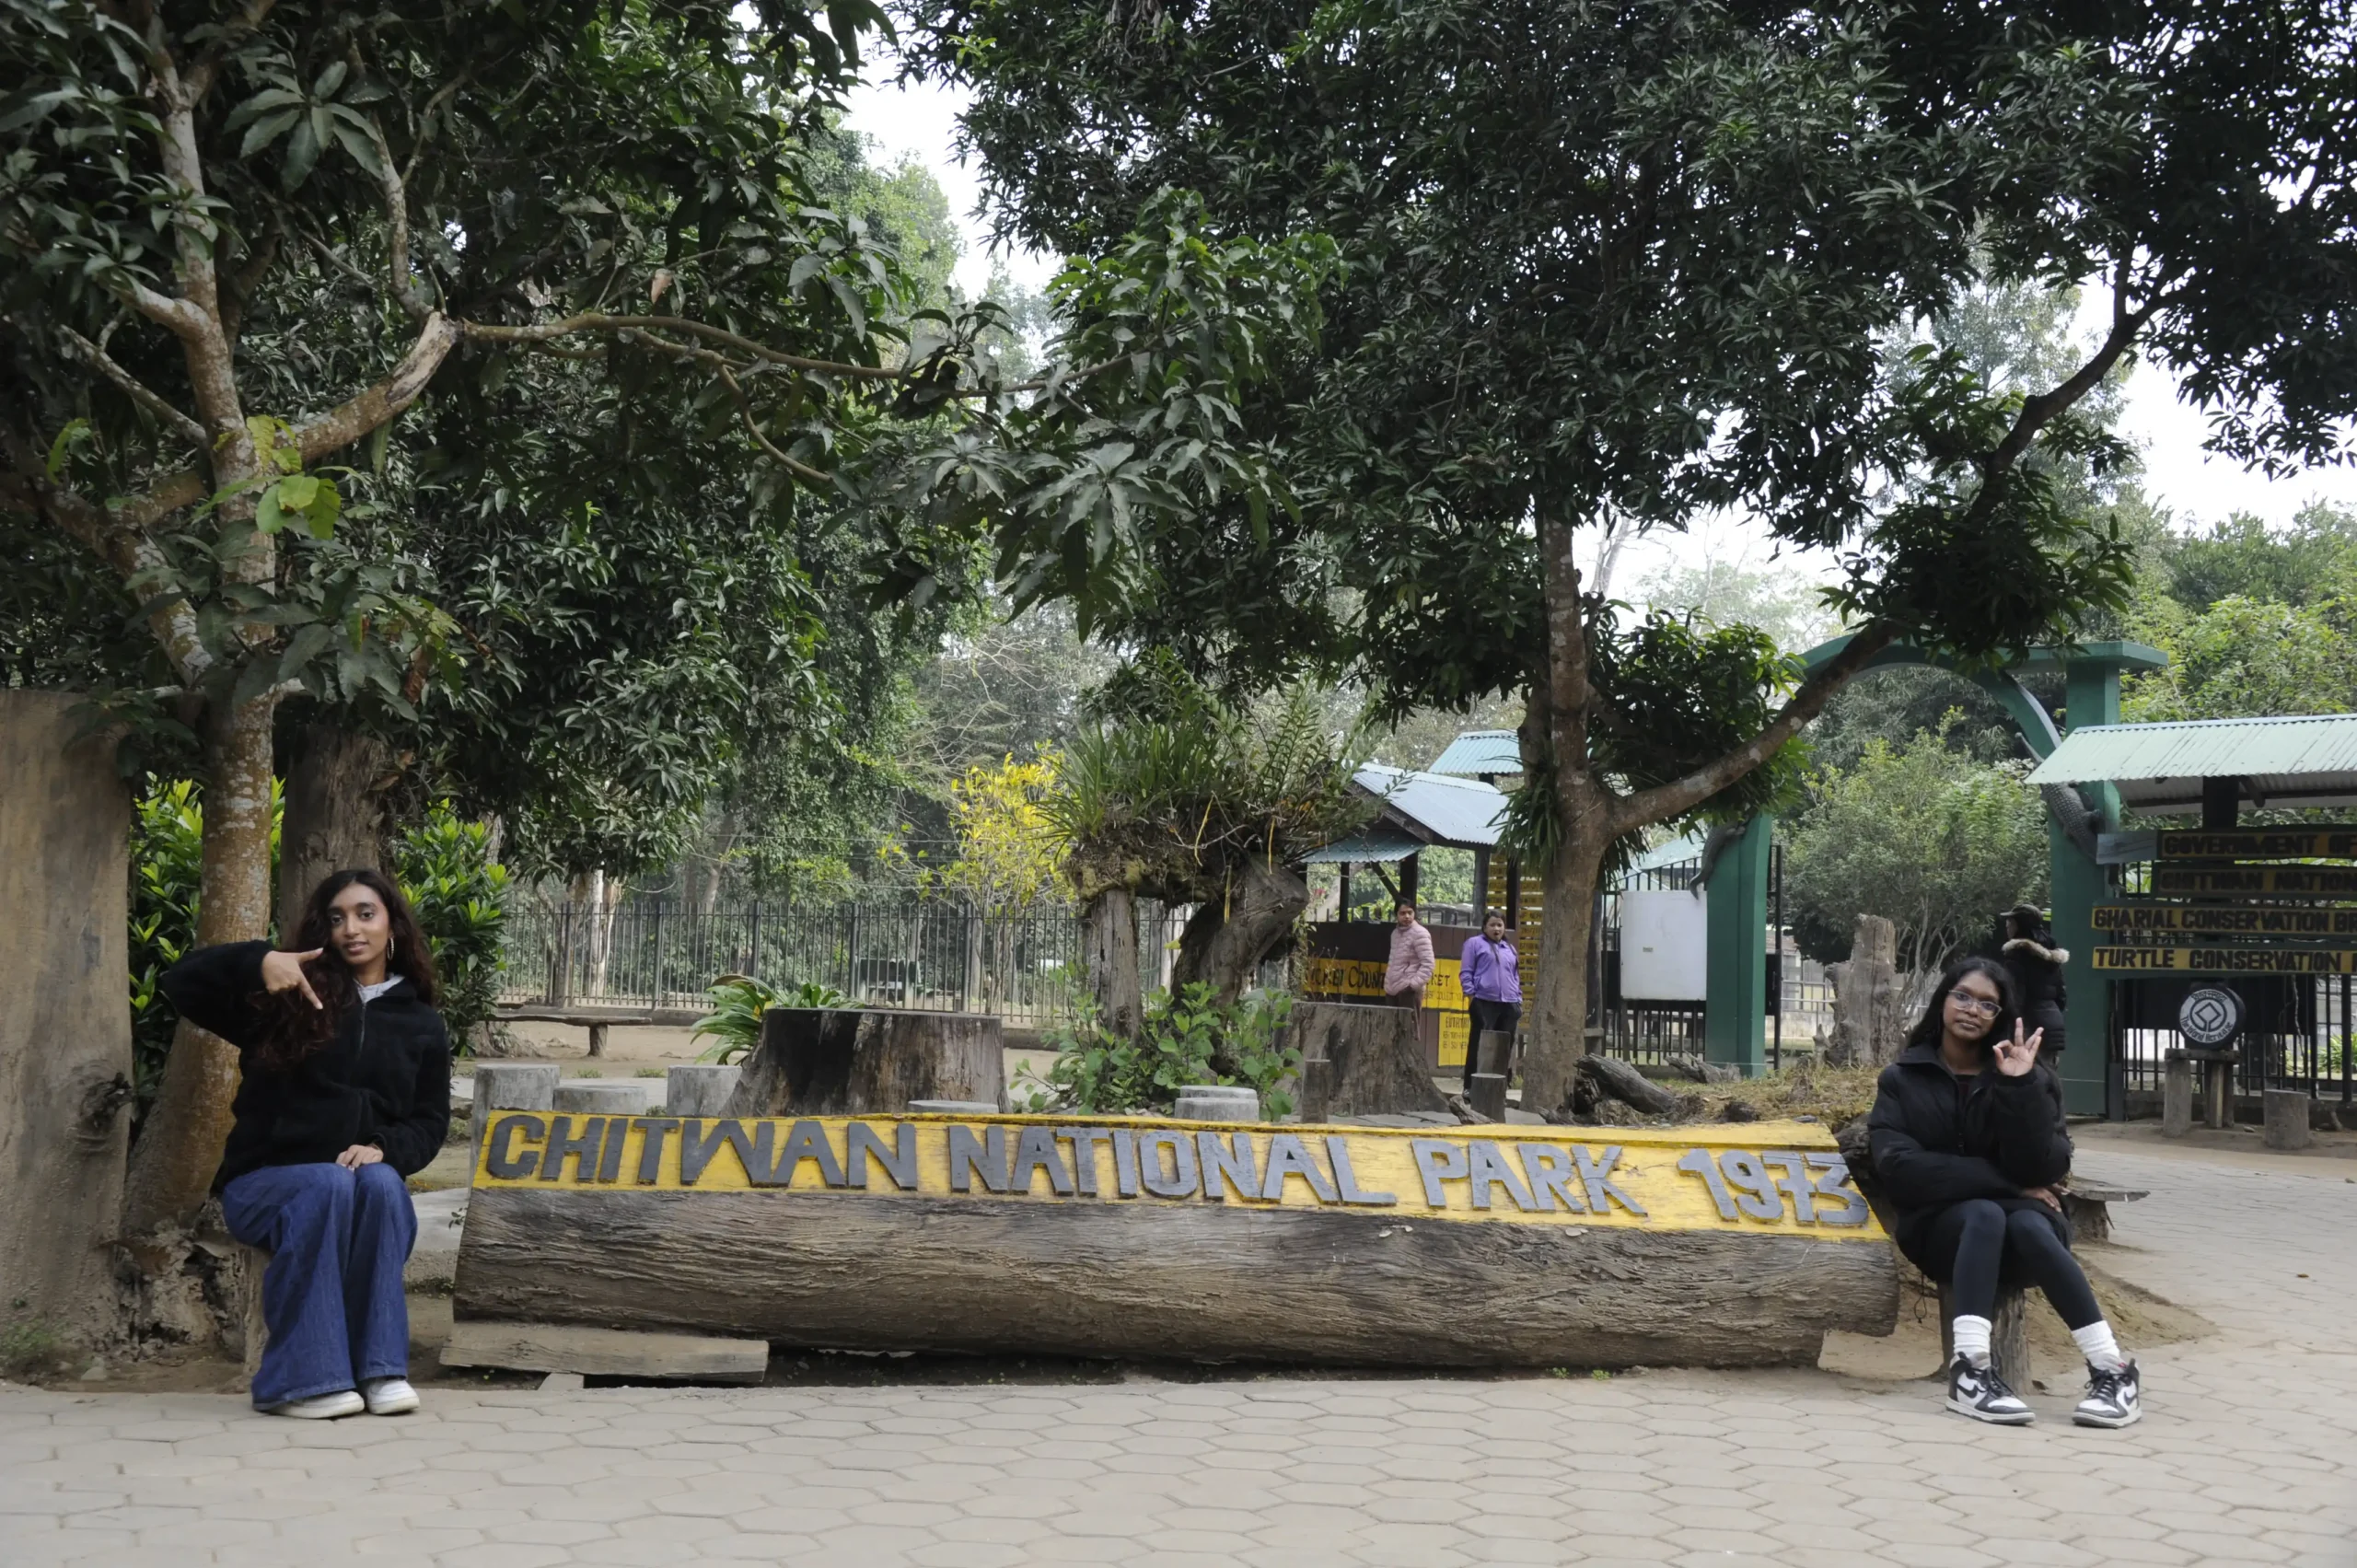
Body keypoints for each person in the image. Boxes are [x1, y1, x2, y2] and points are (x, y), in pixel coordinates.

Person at [161, 869, 450, 1420]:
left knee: (382, 1184)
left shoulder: (421, 1024)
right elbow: (181, 982)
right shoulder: (288, 997)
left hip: (357, 1186)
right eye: (337, 918)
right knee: (327, 1183)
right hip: (264, 1184)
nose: (351, 929)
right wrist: (259, 961)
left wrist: (385, 1147)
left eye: (365, 914)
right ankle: (298, 1381)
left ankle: (381, 1370)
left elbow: (430, 1120)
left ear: (392, 926)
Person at [1867, 956, 2140, 1427]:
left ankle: (2111, 1369)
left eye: (1987, 1004)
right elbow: (1900, 1168)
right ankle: (1971, 1371)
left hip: (2027, 1241)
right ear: (1944, 1000)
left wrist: (2019, 1089)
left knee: (2028, 1223)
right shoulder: (1902, 1078)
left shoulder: (2032, 1078)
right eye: (1963, 997)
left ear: (2001, 1015)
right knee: (1986, 1213)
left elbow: (2045, 1167)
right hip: (1939, 1234)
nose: (1972, 1009)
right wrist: (2010, 1186)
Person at [1457, 910, 1522, 1086]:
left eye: (1499, 925)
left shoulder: (1509, 948)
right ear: (1485, 927)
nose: (1496, 929)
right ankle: (1471, 1087)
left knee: (1504, 1047)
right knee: (1479, 1045)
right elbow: (1466, 972)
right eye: (1492, 925)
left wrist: (1518, 998)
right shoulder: (1474, 944)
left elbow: (1515, 975)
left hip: (1509, 1003)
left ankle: (1498, 1088)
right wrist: (1471, 996)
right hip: (1483, 1001)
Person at [2000, 903, 2068, 1061]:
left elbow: (2015, 999)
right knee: (2047, 1072)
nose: (2007, 926)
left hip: (2027, 1028)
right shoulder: (2052, 958)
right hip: (2052, 1026)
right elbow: (2061, 996)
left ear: (2020, 925)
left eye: (2011, 922)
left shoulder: (2017, 957)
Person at [1383, 900, 1434, 1012]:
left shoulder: (1420, 933)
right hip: (1392, 990)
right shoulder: (1395, 934)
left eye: (1410, 913)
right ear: (1396, 914)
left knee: (1409, 1023)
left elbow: (1428, 964)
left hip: (1409, 991)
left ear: (1414, 913)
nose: (1407, 916)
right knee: (1390, 1023)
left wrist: (1412, 986)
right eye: (1402, 913)